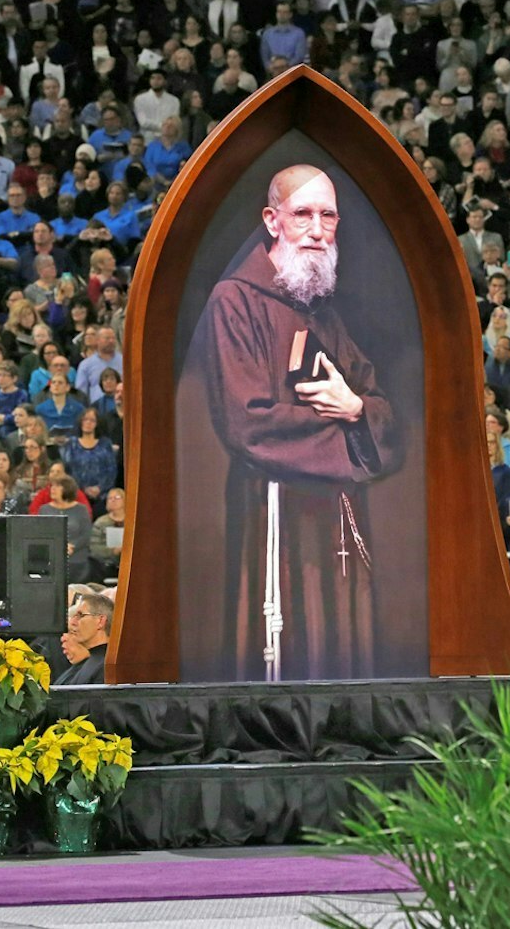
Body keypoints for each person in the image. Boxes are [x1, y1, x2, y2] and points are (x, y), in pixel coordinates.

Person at [195, 165, 400, 680]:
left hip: (333, 509)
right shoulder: (235, 300)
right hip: (275, 509)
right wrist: (343, 434)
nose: (316, 228)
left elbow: (372, 400)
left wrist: (354, 409)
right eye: (302, 214)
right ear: (272, 220)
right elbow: (247, 423)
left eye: (327, 216)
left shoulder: (320, 308)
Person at [55, 591, 113, 685]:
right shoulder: (90, 663)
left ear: (100, 621)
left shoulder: (107, 666)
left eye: (80, 615)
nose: (73, 622)